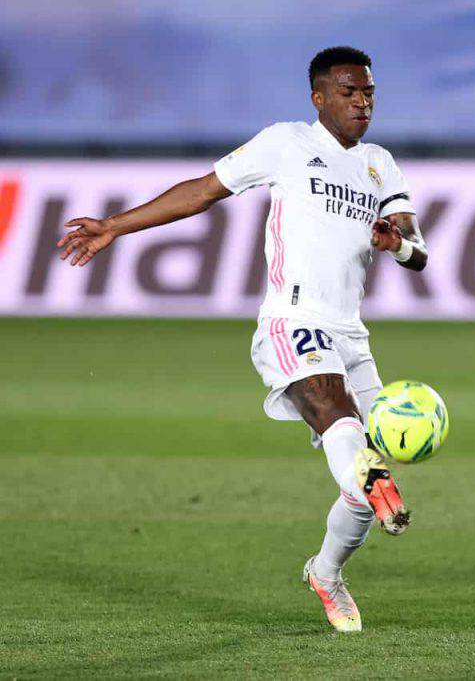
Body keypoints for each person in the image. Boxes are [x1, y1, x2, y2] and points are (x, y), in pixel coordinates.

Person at [57, 46, 427, 633]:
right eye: (350, 92)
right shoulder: (286, 144)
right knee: (343, 426)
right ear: (319, 98)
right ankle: (374, 478)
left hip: (350, 333)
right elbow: (204, 190)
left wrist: (396, 243)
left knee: (355, 493)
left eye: (369, 93)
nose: (363, 102)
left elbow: (417, 248)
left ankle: (326, 573)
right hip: (291, 319)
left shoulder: (380, 164)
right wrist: (115, 226)